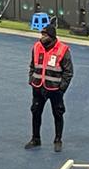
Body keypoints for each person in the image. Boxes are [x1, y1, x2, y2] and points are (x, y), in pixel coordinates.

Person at [25, 18, 73, 151]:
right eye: (41, 34)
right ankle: (35, 139)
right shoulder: (36, 47)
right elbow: (32, 65)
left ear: (52, 36)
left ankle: (58, 140)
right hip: (38, 87)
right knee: (35, 112)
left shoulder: (63, 50)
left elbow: (68, 72)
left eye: (45, 35)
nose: (42, 37)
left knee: (58, 113)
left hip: (55, 88)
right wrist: (31, 79)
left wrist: (61, 88)